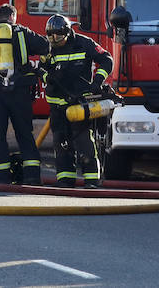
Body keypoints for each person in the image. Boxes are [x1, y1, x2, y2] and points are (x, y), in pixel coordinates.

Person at [0, 3, 50, 185]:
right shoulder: (23, 32)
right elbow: (46, 47)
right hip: (21, 91)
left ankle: (2, 178)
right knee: (25, 134)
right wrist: (38, 67)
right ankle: (32, 177)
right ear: (13, 17)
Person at [41, 14, 113, 188]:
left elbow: (107, 60)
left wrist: (97, 82)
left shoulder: (83, 43)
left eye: (58, 35)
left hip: (79, 103)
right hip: (57, 104)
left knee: (83, 142)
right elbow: (42, 68)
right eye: (50, 36)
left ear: (67, 31)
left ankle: (91, 180)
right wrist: (47, 77)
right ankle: (65, 180)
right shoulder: (48, 47)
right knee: (61, 143)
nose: (54, 39)